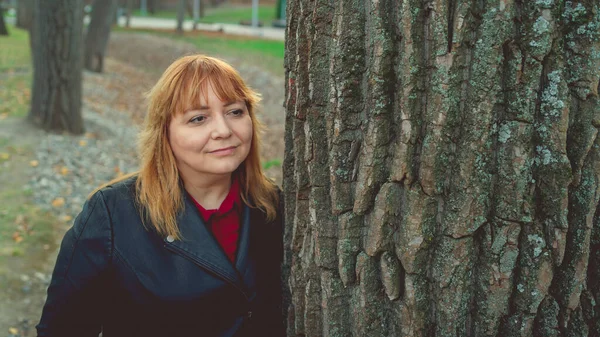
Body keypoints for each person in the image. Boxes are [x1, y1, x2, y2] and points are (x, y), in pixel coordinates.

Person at [36, 55, 285, 337]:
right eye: (198, 118)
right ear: (164, 133)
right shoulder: (112, 215)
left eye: (235, 112)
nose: (223, 131)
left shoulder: (273, 206)